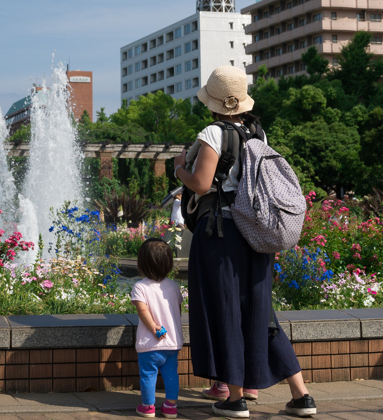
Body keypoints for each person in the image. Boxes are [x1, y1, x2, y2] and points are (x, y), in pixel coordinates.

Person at [173, 66, 316, 419]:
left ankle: (234, 399)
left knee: (225, 311)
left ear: (213, 103)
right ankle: (302, 396)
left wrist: (178, 169)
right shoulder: (258, 132)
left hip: (220, 234)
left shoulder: (212, 132)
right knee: (262, 315)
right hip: (256, 232)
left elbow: (203, 184)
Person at [130, 238, 183, 419]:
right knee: (171, 375)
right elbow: (178, 310)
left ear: (142, 263)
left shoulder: (140, 287)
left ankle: (148, 407)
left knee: (148, 376)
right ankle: (170, 406)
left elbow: (142, 310)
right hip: (172, 343)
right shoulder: (174, 286)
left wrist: (153, 327)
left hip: (150, 343)